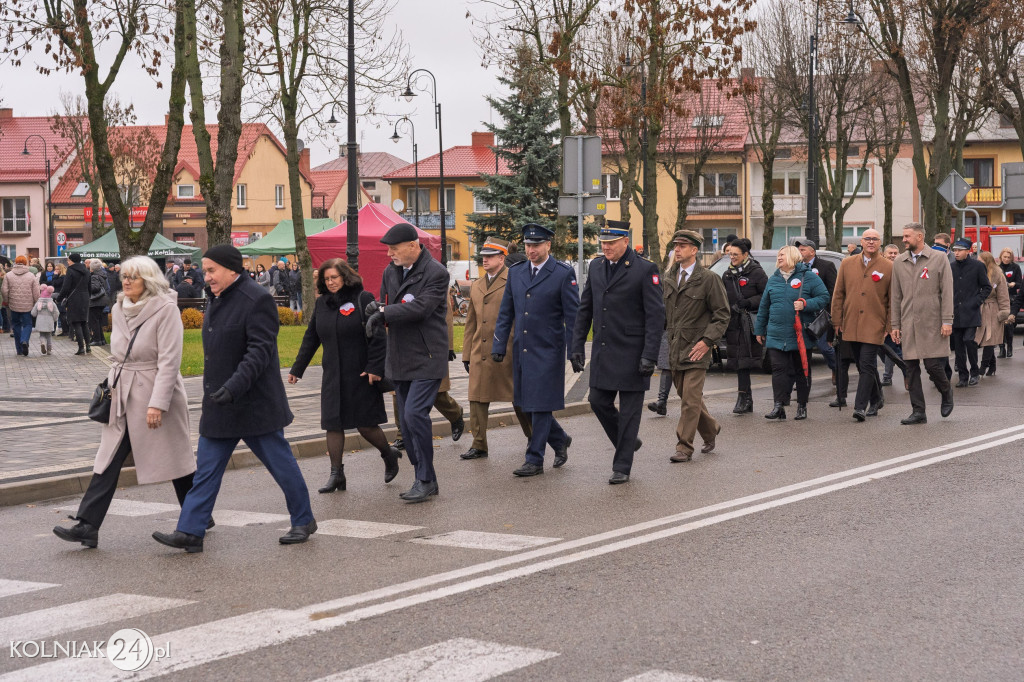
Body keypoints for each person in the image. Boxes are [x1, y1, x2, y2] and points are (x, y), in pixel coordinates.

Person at [153, 244, 316, 552]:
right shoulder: (217, 297)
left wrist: (234, 387)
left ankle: (303, 519)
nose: (207, 276)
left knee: (282, 466)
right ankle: (190, 531)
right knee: (206, 470)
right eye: (206, 269)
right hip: (220, 402)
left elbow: (260, 352)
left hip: (255, 403)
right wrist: (220, 392)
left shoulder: (258, 299)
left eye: (212, 270)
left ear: (232, 269)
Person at [53, 256, 201, 548]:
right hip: (122, 391)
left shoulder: (166, 309)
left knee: (177, 461)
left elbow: (170, 362)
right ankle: (87, 525)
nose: (127, 281)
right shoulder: (120, 307)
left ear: (149, 279)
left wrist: (157, 404)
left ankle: (198, 517)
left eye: (134, 277)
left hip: (156, 391)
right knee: (107, 459)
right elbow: (120, 353)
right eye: (125, 277)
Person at [289, 258, 400, 493]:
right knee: (333, 424)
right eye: (326, 279)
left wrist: (374, 368)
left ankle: (388, 453)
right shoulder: (322, 305)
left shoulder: (363, 299)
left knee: (365, 426)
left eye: (334, 278)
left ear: (345, 277)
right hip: (332, 374)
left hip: (360, 373)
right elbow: (311, 338)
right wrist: (297, 369)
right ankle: (336, 474)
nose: (330, 282)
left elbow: (379, 337)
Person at [571, 221, 664, 484]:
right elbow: (585, 308)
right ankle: (628, 441)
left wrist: (650, 355)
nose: (606, 247)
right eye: (603, 242)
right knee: (597, 401)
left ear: (625, 241)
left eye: (611, 242)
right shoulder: (597, 266)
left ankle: (622, 465)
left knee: (630, 412)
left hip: (634, 352)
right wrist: (577, 345)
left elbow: (656, 316)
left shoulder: (646, 269)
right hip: (604, 350)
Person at [364, 223, 449, 503]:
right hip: (398, 358)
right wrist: (375, 308)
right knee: (407, 423)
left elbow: (421, 307)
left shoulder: (437, 273)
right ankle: (425, 478)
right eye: (388, 249)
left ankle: (424, 479)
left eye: (394, 248)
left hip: (426, 358)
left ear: (414, 245)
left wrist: (385, 311)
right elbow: (385, 302)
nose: (389, 254)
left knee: (414, 416)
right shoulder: (391, 271)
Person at [492, 223, 579, 476]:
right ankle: (560, 438)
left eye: (536, 245)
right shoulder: (516, 273)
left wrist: (575, 351)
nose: (531, 250)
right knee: (526, 404)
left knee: (540, 405)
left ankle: (535, 458)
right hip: (523, 349)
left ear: (548, 245)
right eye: (528, 245)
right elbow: (506, 312)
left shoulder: (562, 273)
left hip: (548, 350)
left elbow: (573, 316)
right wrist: (499, 344)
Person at [460, 237, 531, 460]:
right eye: (483, 256)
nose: (485, 260)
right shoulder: (477, 285)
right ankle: (479, 444)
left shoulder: (515, 279)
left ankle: (535, 438)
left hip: (507, 350)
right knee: (476, 398)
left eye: (490, 256)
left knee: (518, 399)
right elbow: (471, 321)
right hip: (480, 352)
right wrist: (466, 353)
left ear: (502, 258)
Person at [663, 230, 730, 460]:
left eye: (682, 246)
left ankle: (684, 447)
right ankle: (711, 429)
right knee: (688, 398)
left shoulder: (708, 279)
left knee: (690, 400)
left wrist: (707, 341)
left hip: (696, 348)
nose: (677, 250)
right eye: (676, 246)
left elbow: (722, 314)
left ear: (694, 250)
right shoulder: (669, 277)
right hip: (674, 348)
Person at [754, 246, 829, 420]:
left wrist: (805, 304)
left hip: (800, 333)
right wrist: (759, 329)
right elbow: (764, 306)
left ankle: (802, 405)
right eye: (778, 255)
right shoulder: (773, 279)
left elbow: (824, 297)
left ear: (792, 257)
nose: (779, 258)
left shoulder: (808, 277)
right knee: (778, 370)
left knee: (801, 371)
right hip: (776, 332)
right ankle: (778, 405)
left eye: (782, 255)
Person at [890, 222, 954, 424]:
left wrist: (947, 320)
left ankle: (946, 392)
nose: (904, 240)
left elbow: (947, 292)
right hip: (908, 323)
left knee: (933, 365)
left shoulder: (939, 258)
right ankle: (918, 411)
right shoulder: (899, 262)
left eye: (907, 236)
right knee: (910, 368)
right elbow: (895, 296)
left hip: (932, 323)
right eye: (904, 236)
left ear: (919, 237)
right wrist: (895, 325)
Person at [831, 229, 892, 422]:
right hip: (851, 322)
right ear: (861, 242)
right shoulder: (847, 263)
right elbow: (838, 293)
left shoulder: (888, 266)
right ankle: (876, 398)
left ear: (880, 242)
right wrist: (836, 320)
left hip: (875, 323)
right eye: (868, 239)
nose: (871, 242)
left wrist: (890, 325)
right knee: (861, 364)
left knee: (867, 363)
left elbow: (892, 299)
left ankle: (860, 407)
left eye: (875, 239)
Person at [721, 238, 767, 414]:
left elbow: (766, 295)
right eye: (730, 254)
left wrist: (749, 302)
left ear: (745, 255)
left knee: (745, 361)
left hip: (749, 322)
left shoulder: (757, 272)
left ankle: (744, 398)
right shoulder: (727, 274)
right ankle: (745, 398)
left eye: (735, 255)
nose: (732, 257)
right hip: (733, 322)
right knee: (738, 361)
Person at [950, 238, 991, 387]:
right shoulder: (951, 267)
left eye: (960, 250)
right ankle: (962, 376)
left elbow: (987, 287)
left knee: (969, 340)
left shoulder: (978, 266)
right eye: (955, 250)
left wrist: (977, 301)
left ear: (968, 251)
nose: (957, 253)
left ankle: (974, 371)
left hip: (971, 312)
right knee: (958, 346)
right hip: (956, 313)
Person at [794, 238, 837, 379]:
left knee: (824, 347)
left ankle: (836, 369)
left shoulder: (826, 266)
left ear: (812, 252)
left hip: (821, 316)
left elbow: (832, 293)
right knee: (802, 349)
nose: (800, 252)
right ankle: (802, 379)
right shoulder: (796, 267)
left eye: (803, 249)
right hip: (803, 315)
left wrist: (831, 315)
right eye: (798, 250)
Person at [978, 251, 1012, 377]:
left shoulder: (998, 274)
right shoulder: (977, 272)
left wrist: (1004, 312)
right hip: (980, 309)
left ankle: (982, 368)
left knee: (990, 339)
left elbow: (1003, 295)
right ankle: (992, 366)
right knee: (985, 339)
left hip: (993, 309)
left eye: (981, 261)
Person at [1, 255, 40, 356]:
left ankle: (19, 350)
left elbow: (4, 290)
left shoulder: (9, 275)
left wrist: (6, 301)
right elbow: (36, 291)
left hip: (13, 305)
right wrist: (36, 302)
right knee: (28, 324)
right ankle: (24, 340)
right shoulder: (31, 275)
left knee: (16, 325)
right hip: (28, 305)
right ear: (25, 263)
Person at [880, 243, 905, 387]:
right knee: (881, 347)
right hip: (880, 313)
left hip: (897, 314)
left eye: (896, 253)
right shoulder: (880, 269)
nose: (893, 256)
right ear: (884, 254)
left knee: (891, 346)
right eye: (890, 253)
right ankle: (903, 366)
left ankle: (888, 376)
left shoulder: (901, 268)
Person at [996, 248, 1021, 358]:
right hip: (998, 299)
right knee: (999, 324)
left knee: (1008, 324)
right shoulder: (997, 268)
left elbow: (1020, 283)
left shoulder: (1015, 267)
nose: (1006, 259)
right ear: (1000, 257)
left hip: (1010, 298)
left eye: (1008, 257)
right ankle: (1002, 348)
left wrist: (1013, 284)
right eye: (1004, 257)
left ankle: (1009, 347)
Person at [87, 259, 111, 347]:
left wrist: (88, 287)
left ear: (92, 268)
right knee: (99, 320)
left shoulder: (94, 276)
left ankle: (97, 340)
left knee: (94, 321)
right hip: (102, 300)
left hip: (95, 301)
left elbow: (95, 288)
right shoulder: (103, 274)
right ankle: (101, 340)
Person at [31, 285, 58, 355]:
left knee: (42, 335)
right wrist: (55, 319)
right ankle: (49, 350)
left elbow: (33, 313)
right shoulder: (52, 303)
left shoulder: (38, 303)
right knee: (49, 336)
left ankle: (42, 342)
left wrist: (36, 315)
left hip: (40, 321)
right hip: (49, 321)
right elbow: (56, 312)